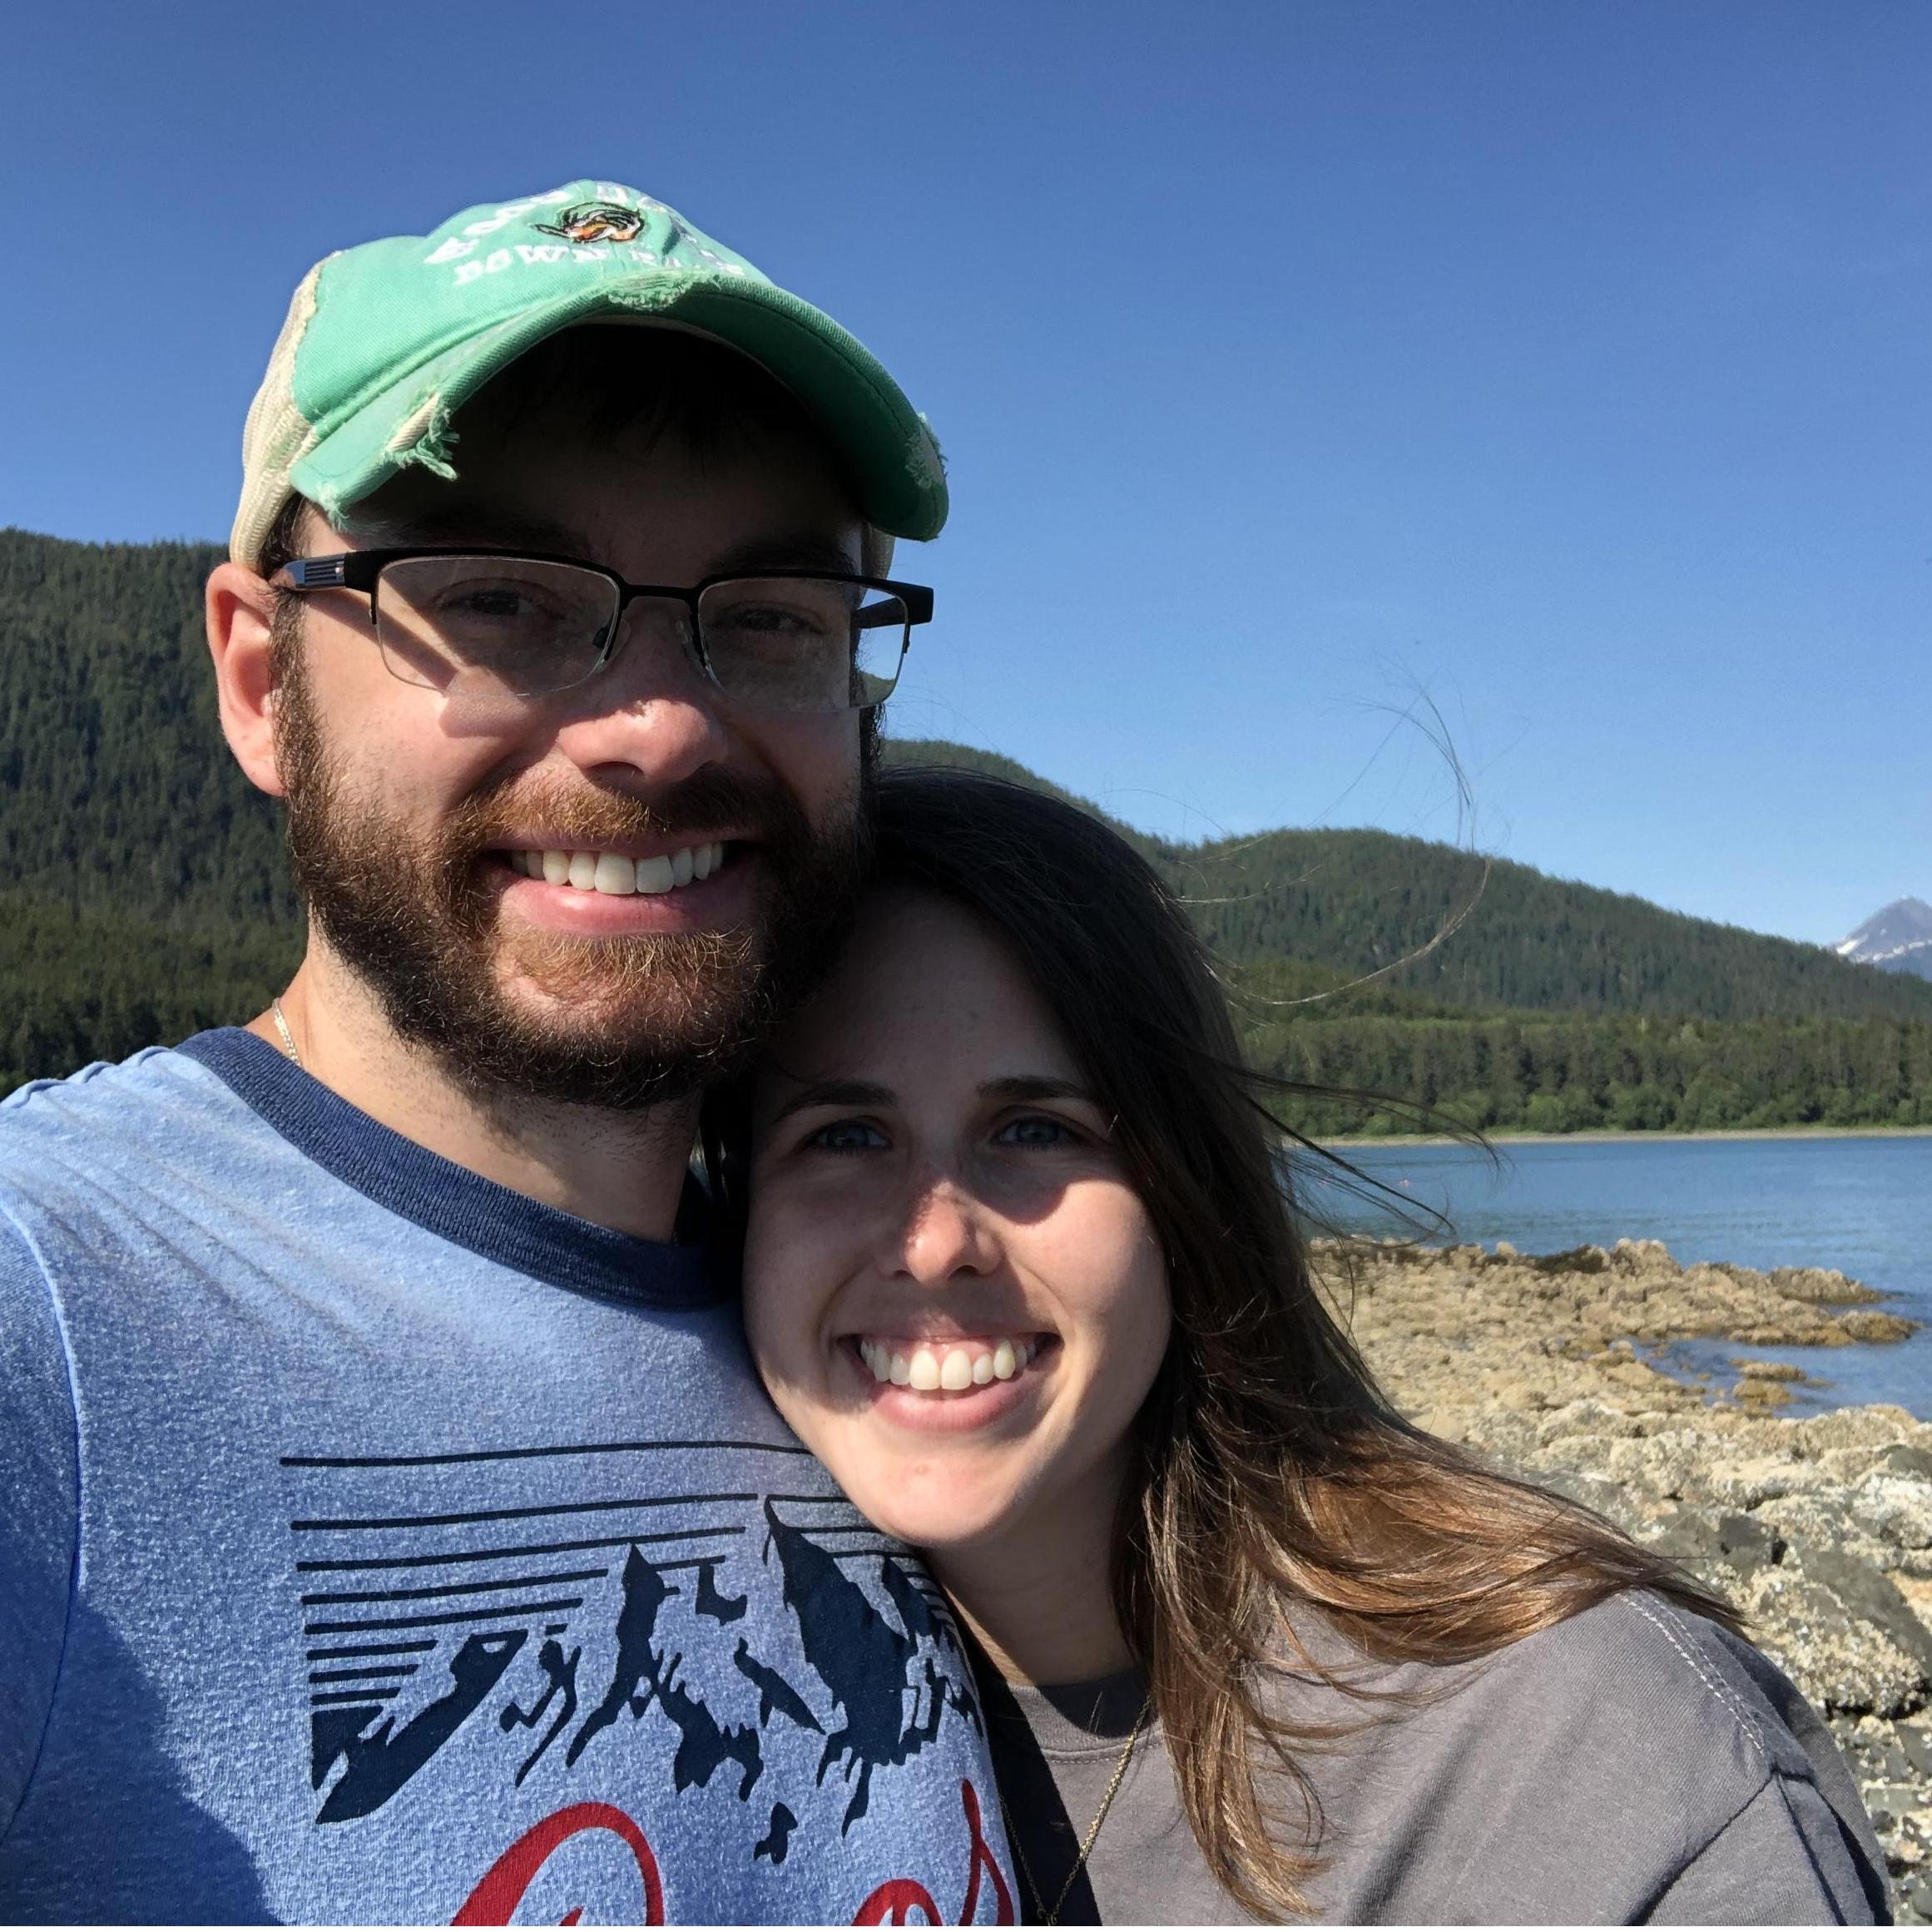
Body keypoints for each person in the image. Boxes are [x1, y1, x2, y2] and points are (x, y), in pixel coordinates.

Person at [0, 184, 1012, 1925]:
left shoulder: (910, 1346)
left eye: (770, 611)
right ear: (260, 683)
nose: (660, 726)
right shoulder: (51, 1322)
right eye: (502, 601)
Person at [736, 766, 1891, 1925]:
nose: (935, 1242)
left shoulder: (1593, 1765)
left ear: (1186, 1196)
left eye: (1035, 1128)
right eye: (842, 1134)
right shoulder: (679, 1714)